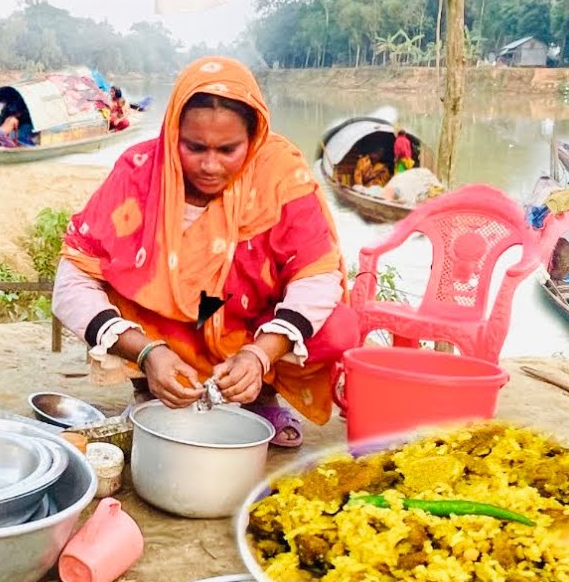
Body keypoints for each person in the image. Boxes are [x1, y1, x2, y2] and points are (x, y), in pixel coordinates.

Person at [52, 56, 358, 447]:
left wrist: (260, 356)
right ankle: (154, 388)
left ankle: (259, 394)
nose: (210, 166)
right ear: (172, 132)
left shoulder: (281, 175)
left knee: (338, 327)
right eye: (194, 147)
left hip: (248, 328)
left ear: (255, 137)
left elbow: (317, 275)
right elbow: (71, 282)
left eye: (228, 149)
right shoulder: (138, 173)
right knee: (104, 278)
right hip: (164, 334)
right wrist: (146, 352)